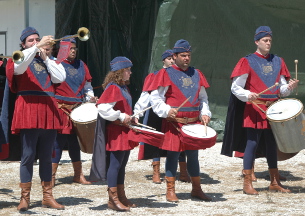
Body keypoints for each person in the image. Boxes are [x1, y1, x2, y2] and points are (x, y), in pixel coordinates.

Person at [221, 26, 298, 195]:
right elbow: (236, 87)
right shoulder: (247, 61)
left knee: (271, 144)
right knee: (252, 143)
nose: (268, 43)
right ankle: (247, 183)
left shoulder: (278, 61)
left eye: (270, 40)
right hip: (255, 107)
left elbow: (281, 90)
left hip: (274, 109)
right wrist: (248, 94)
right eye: (265, 40)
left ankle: (274, 181)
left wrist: (289, 87)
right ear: (257, 42)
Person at [5, 27, 66, 211]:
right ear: (23, 44)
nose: (35, 42)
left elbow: (60, 77)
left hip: (47, 109)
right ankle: (25, 198)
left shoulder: (48, 60)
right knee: (28, 156)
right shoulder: (18, 57)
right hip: (29, 109)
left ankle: (47, 196)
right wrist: (37, 47)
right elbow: (19, 67)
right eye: (30, 40)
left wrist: (47, 57)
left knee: (47, 156)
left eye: (37, 39)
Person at [149, 39, 213, 202]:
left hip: (193, 123)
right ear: (175, 56)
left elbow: (203, 98)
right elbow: (156, 98)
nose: (186, 58)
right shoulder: (165, 73)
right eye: (183, 55)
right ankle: (170, 190)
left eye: (189, 55)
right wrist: (166, 111)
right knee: (173, 156)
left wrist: (204, 112)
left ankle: (196, 189)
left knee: (193, 156)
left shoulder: (197, 73)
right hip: (174, 122)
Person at [134, 49, 191, 184]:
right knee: (156, 142)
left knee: (181, 141)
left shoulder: (181, 75)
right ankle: (156, 172)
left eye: (173, 58)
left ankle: (183, 172)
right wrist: (138, 112)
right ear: (163, 60)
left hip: (175, 115)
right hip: (157, 114)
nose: (172, 60)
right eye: (169, 58)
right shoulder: (155, 75)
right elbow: (145, 96)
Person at [51, 37, 95, 187]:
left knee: (75, 143)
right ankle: (51, 177)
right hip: (61, 109)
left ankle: (78, 175)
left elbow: (87, 86)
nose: (74, 51)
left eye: (75, 48)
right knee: (58, 143)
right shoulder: (55, 64)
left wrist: (90, 97)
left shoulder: (82, 65)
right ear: (63, 49)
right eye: (70, 48)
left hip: (78, 109)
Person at [97, 56, 138, 211]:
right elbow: (103, 108)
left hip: (124, 130)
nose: (130, 73)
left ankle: (121, 196)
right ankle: (112, 200)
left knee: (122, 165)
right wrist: (121, 116)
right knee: (115, 165)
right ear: (120, 72)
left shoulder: (123, 87)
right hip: (116, 132)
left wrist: (132, 117)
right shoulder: (113, 87)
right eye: (127, 70)